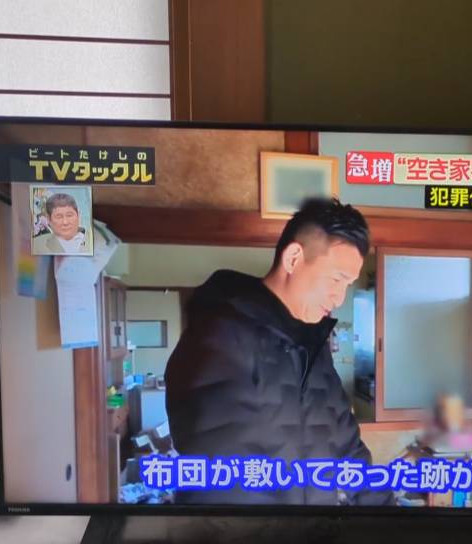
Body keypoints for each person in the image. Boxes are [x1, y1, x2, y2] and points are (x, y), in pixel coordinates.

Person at [164, 197, 393, 506]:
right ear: (294, 258)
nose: (339, 298)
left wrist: (391, 516)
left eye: (348, 284)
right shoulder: (221, 338)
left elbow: (348, 450)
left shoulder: (314, 348)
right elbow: (223, 483)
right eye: (336, 279)